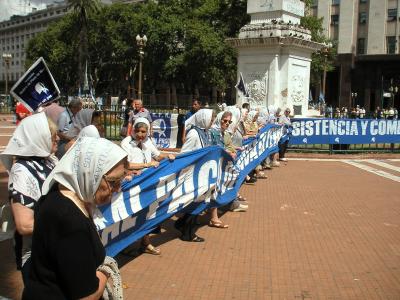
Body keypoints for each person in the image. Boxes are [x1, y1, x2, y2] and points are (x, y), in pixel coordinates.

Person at [22, 137, 127, 299]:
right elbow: (86, 296)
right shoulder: (70, 222)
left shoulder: (58, 193)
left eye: (122, 178)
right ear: (91, 173)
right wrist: (105, 271)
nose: (118, 188)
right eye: (113, 182)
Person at [0, 113, 59, 285]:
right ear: (38, 138)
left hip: (54, 247)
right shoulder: (22, 171)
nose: (57, 138)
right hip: (36, 254)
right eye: (51, 135)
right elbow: (24, 225)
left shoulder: (49, 160)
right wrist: (66, 223)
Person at [121, 117, 175, 254]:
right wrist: (146, 164)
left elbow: (157, 156)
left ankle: (145, 243)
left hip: (146, 182)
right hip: (131, 182)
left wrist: (170, 156)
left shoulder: (147, 142)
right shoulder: (126, 143)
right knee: (130, 215)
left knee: (145, 213)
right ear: (133, 130)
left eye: (143, 131)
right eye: (137, 131)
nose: (140, 134)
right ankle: (125, 246)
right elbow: (125, 165)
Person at [177, 109, 215, 241]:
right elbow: (185, 153)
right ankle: (188, 234)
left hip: (202, 174)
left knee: (200, 202)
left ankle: (181, 224)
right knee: (196, 203)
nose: (212, 121)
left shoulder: (204, 132)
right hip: (194, 174)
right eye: (211, 119)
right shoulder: (193, 133)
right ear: (203, 118)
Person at [210, 111, 248, 213]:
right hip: (216, 164)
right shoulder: (213, 132)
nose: (227, 123)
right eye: (225, 121)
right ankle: (218, 208)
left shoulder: (224, 133)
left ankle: (229, 204)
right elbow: (216, 148)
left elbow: (226, 146)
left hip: (225, 163)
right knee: (219, 186)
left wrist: (236, 149)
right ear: (220, 120)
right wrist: (229, 153)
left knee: (231, 181)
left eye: (229, 122)